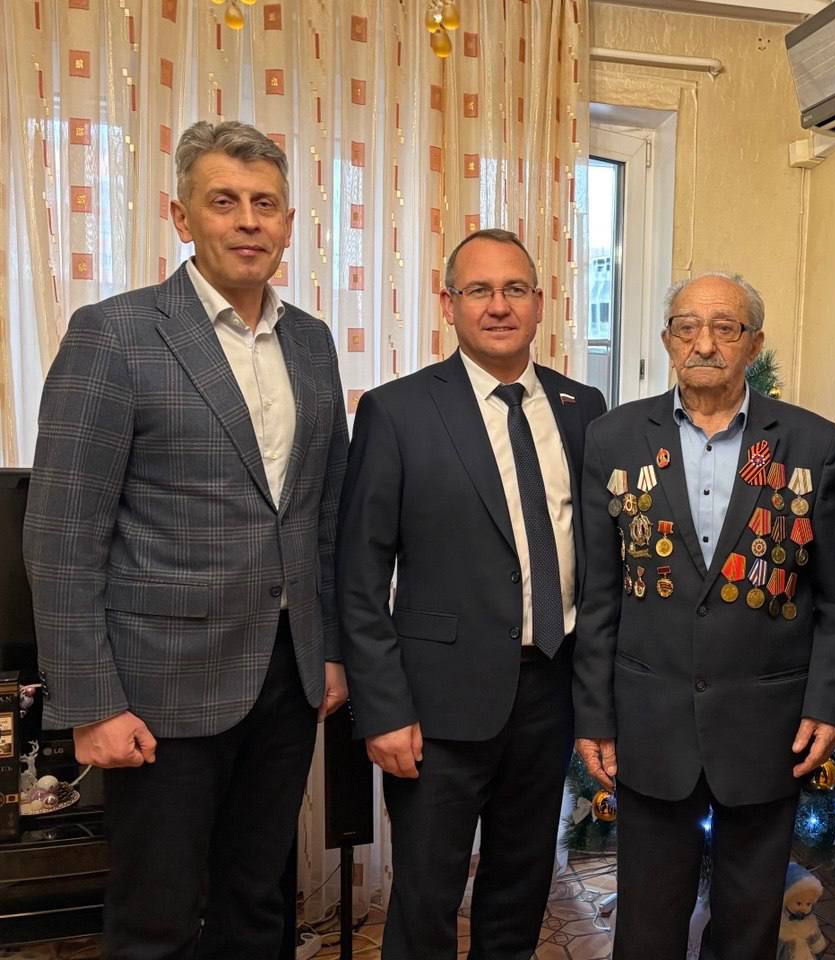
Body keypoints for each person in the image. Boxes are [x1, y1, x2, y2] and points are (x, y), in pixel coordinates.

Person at [24, 120, 349, 959]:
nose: (247, 221)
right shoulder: (114, 334)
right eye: (224, 201)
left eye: (265, 204)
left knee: (259, 905)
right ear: (181, 216)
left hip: (285, 678)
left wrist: (330, 652)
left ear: (287, 224)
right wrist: (92, 705)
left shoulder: (312, 342)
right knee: (157, 920)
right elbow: (62, 534)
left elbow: (322, 515)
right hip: (158, 689)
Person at [337, 228, 606, 959]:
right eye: (479, 290)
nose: (498, 306)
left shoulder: (582, 407)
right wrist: (383, 710)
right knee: (426, 897)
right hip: (437, 705)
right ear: (448, 303)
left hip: (550, 692)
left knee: (521, 886)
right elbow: (359, 577)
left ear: (541, 303)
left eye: (515, 289)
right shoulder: (397, 411)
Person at [574, 272, 835, 960]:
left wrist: (827, 704)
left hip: (767, 727)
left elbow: (832, 597)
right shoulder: (613, 439)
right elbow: (600, 595)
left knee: (748, 928)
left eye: (725, 328)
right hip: (650, 723)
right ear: (667, 340)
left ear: (753, 344)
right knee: (647, 928)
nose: (705, 343)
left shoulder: (812, 443)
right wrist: (595, 717)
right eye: (687, 327)